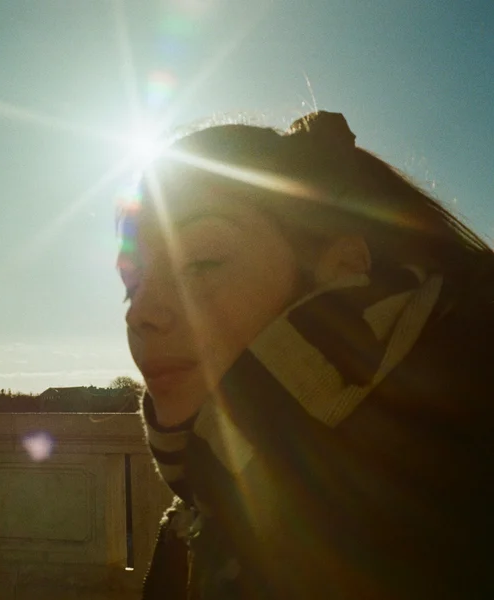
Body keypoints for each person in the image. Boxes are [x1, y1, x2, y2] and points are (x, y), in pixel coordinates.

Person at [116, 111, 494, 599]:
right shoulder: (205, 507)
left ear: (345, 272)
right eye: (132, 284)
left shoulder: (455, 509)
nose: (140, 312)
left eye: (202, 261)